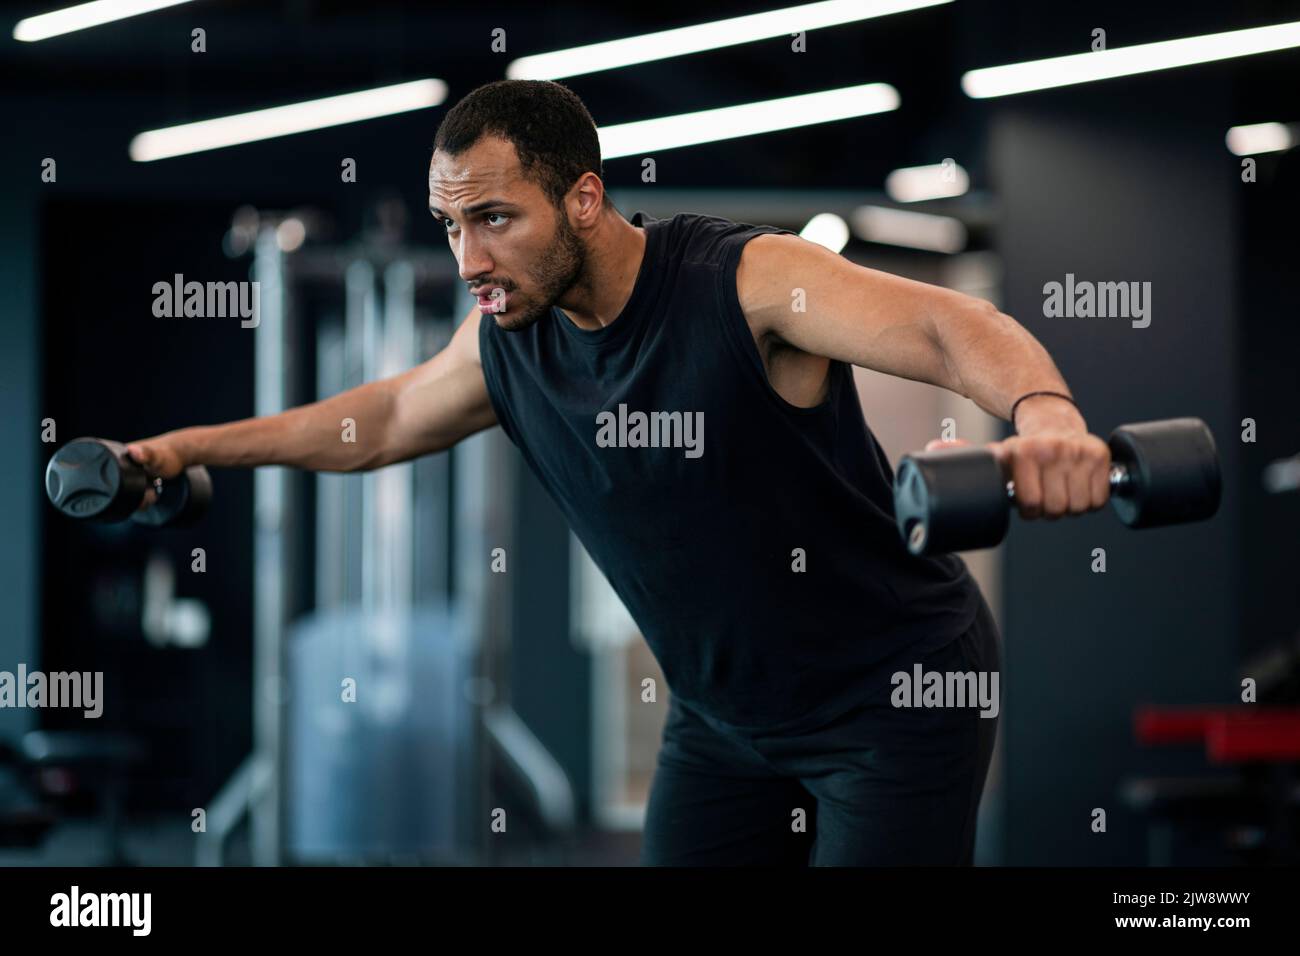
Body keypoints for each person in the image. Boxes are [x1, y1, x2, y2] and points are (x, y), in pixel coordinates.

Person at [127, 79, 1111, 866]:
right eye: (449, 226)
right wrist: (188, 447)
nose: (468, 256)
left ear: (583, 198)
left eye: (496, 219)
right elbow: (379, 418)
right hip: (721, 717)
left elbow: (947, 324)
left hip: (892, 700)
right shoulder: (507, 339)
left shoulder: (745, 282)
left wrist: (1046, 414)